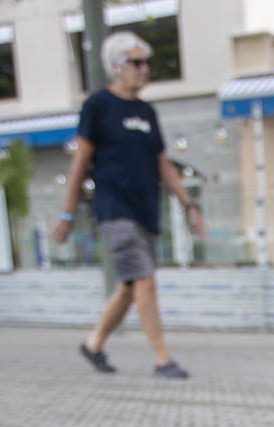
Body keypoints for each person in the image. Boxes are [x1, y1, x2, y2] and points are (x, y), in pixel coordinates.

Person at [51, 32, 204, 378]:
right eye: (136, 63)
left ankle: (93, 345)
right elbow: (80, 162)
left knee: (129, 285)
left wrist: (189, 204)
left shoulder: (147, 111)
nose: (144, 69)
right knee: (144, 280)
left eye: (145, 62)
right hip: (114, 209)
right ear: (116, 66)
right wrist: (67, 211)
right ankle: (163, 359)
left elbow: (163, 163)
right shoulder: (98, 106)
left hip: (145, 209)